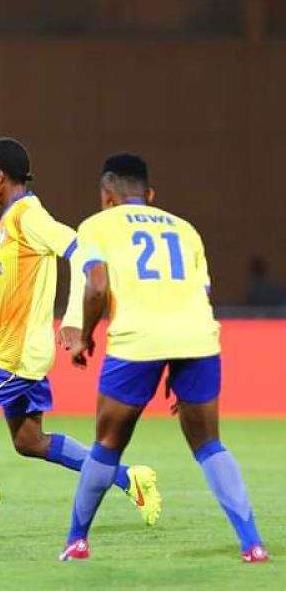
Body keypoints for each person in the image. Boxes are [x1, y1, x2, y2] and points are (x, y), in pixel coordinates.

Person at [0, 138, 161, 529]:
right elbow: (4, 270)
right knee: (30, 442)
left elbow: (78, 246)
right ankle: (127, 478)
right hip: (22, 350)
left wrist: (80, 306)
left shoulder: (29, 216)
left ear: (0, 176)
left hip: (15, 358)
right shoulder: (12, 220)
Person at [59, 153, 268, 563]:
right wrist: (178, 360)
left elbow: (96, 285)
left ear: (107, 195)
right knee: (209, 444)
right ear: (149, 194)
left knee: (107, 444)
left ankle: (77, 540)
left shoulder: (96, 225)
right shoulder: (185, 229)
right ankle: (252, 543)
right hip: (197, 338)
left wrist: (83, 337)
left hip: (137, 339)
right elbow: (202, 293)